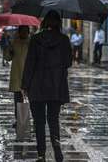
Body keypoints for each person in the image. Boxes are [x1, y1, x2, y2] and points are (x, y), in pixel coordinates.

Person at [22, 10, 72, 162]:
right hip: (56, 87)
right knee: (53, 119)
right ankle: (57, 151)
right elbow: (68, 62)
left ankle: (41, 154)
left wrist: (25, 84)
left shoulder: (36, 39)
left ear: (44, 23)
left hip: (37, 86)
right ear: (59, 22)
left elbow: (30, 63)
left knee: (39, 122)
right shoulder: (64, 40)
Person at [8, 26, 30, 127]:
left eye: (26, 32)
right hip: (17, 75)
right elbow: (7, 57)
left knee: (31, 100)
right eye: (22, 31)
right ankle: (19, 120)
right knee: (17, 100)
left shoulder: (31, 43)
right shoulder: (14, 43)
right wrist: (9, 50)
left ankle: (31, 120)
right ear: (19, 32)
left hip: (29, 76)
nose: (24, 33)